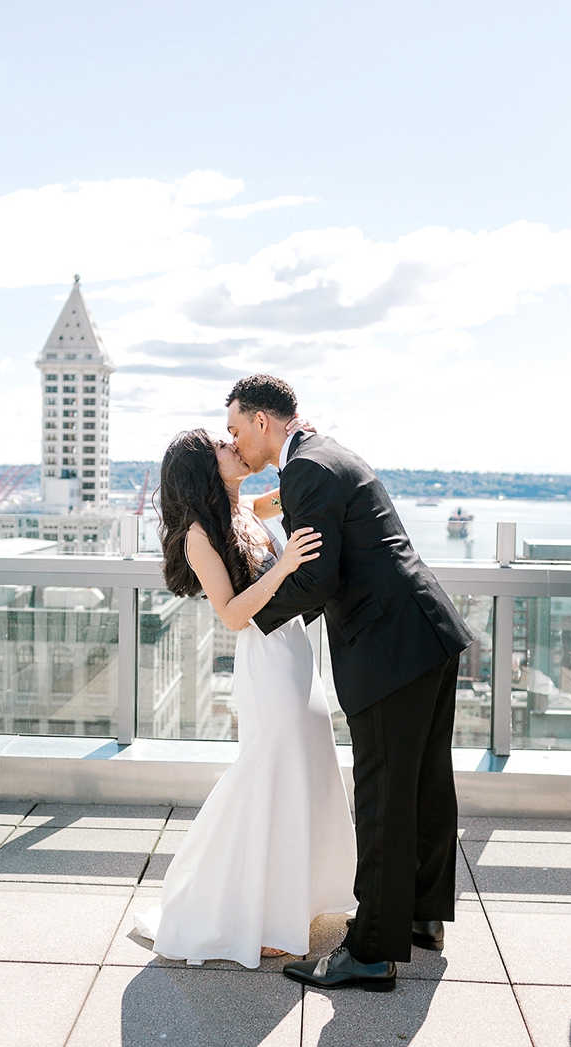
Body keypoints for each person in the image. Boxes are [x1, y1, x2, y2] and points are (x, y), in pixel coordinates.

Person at [224, 375, 473, 992]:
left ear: (262, 422)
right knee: (424, 783)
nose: (236, 443)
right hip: (428, 633)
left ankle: (369, 951)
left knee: (385, 795)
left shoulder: (304, 470)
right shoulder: (327, 453)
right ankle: (419, 917)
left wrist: (251, 618)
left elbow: (317, 577)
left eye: (235, 430)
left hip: (390, 646)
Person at [131, 429, 357, 968]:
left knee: (307, 768)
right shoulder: (198, 535)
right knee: (270, 775)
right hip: (266, 663)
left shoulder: (247, 508)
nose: (234, 448)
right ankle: (255, 910)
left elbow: (301, 484)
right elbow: (232, 615)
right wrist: (284, 566)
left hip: (296, 652)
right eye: (222, 447)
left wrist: (305, 443)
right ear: (204, 468)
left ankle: (293, 900)